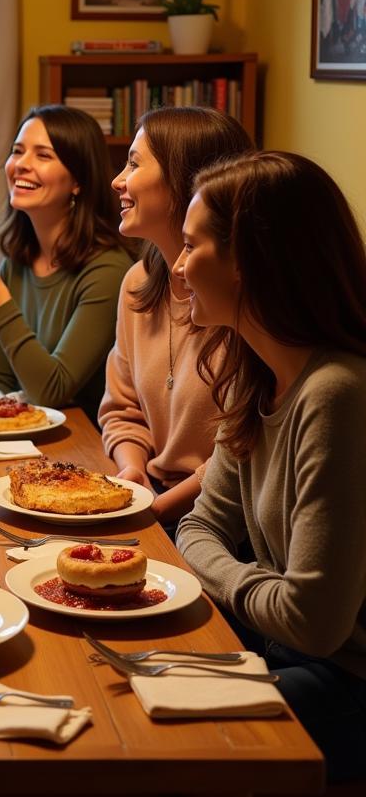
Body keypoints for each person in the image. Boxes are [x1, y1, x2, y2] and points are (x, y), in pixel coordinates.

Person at [174, 151, 366, 782]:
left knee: (144, 750)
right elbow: (195, 530)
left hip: (345, 683)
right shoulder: (255, 376)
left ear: (249, 261)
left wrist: (236, 580)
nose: (177, 267)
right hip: (279, 645)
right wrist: (259, 583)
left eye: (191, 246)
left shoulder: (335, 393)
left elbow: (312, 621)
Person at [98, 107, 253, 525]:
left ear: (185, 181)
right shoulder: (138, 283)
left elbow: (237, 455)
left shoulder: (242, 300)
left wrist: (155, 512)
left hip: (220, 519)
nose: (118, 180)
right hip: (152, 496)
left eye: (133, 163)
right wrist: (130, 473)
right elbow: (122, 410)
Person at [0, 105, 132, 422]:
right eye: (17, 151)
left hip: (86, 444)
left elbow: (52, 390)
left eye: (43, 155)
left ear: (78, 180)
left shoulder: (108, 270)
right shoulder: (16, 263)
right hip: (27, 440)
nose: (21, 165)